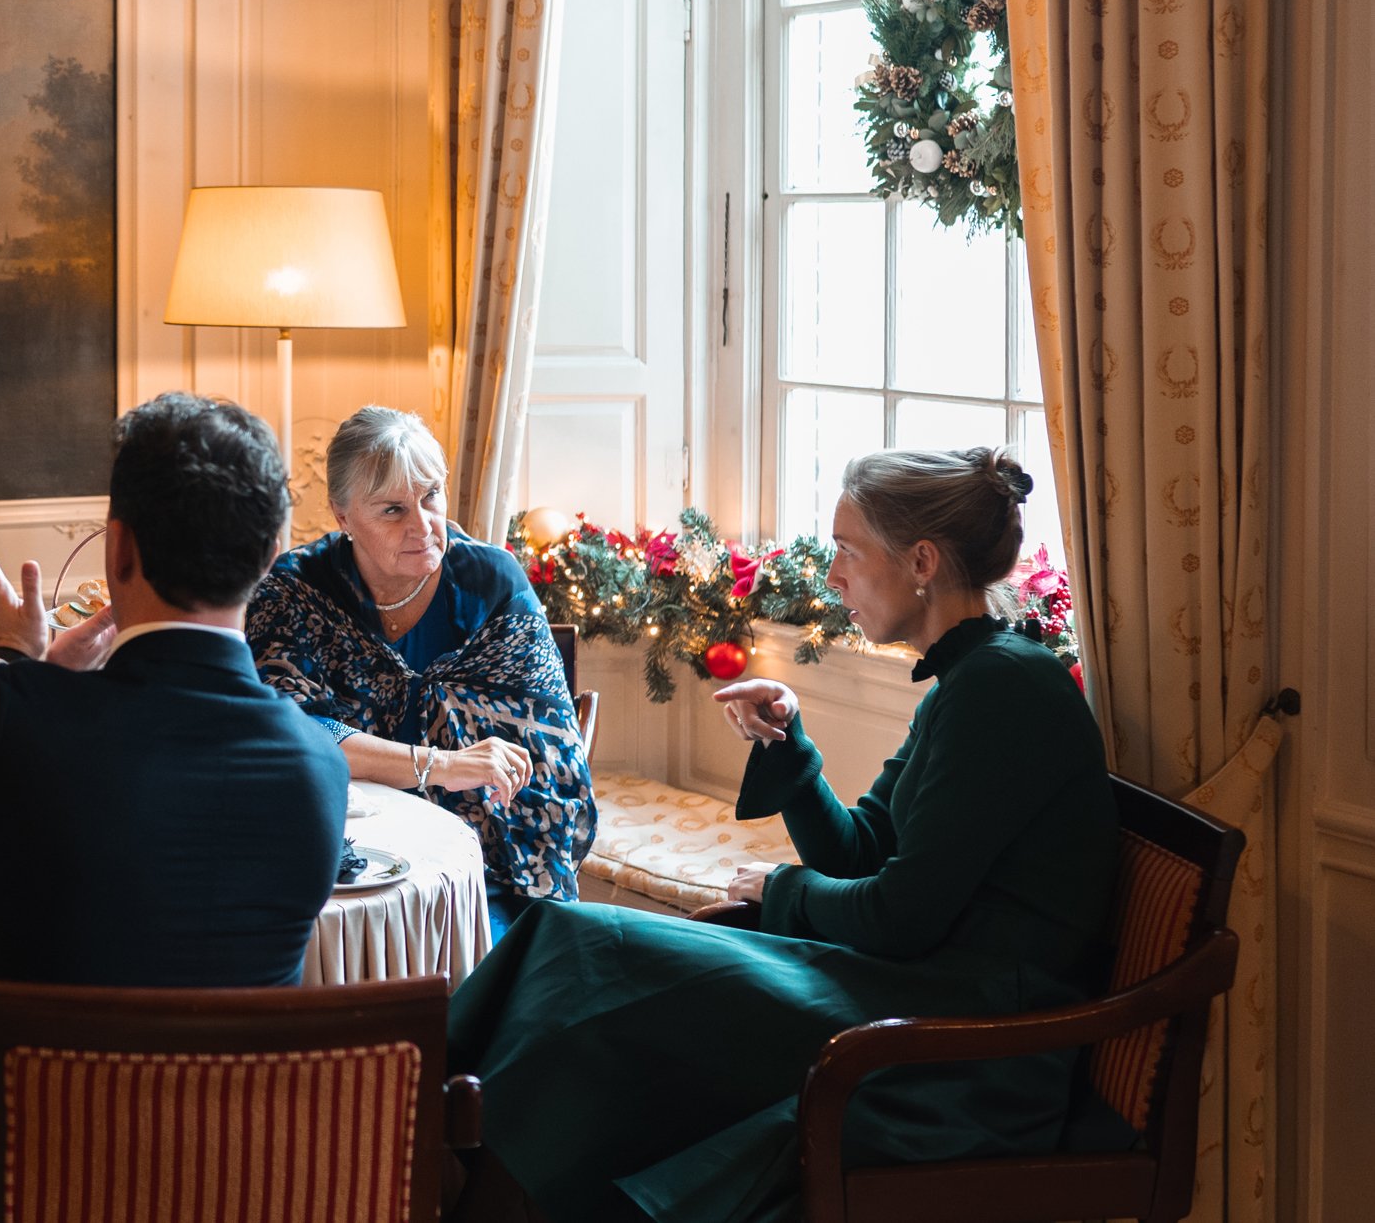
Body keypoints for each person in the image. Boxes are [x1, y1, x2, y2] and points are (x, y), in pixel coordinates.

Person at [447, 447, 1117, 1223]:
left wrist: (783, 890)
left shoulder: (1001, 688)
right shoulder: (969, 680)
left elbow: (900, 914)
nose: (832, 574)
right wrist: (787, 747)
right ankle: (455, 1140)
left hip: (957, 1029)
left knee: (591, 950)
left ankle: (446, 1145)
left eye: (847, 549)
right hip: (910, 984)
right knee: (575, 940)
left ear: (922, 561)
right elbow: (861, 849)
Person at [0, 392, 351, 1068]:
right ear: (270, 556)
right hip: (232, 1157)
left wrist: (6, 660)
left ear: (117, 546)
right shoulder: (319, 762)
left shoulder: (27, 717)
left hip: (28, 1153)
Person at [245, 406, 595, 932]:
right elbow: (294, 732)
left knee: (484, 968)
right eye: (392, 510)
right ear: (343, 516)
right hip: (346, 859)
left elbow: (552, 754)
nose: (423, 525)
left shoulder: (489, 583)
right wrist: (441, 764)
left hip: (485, 867)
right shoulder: (295, 590)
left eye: (431, 496)